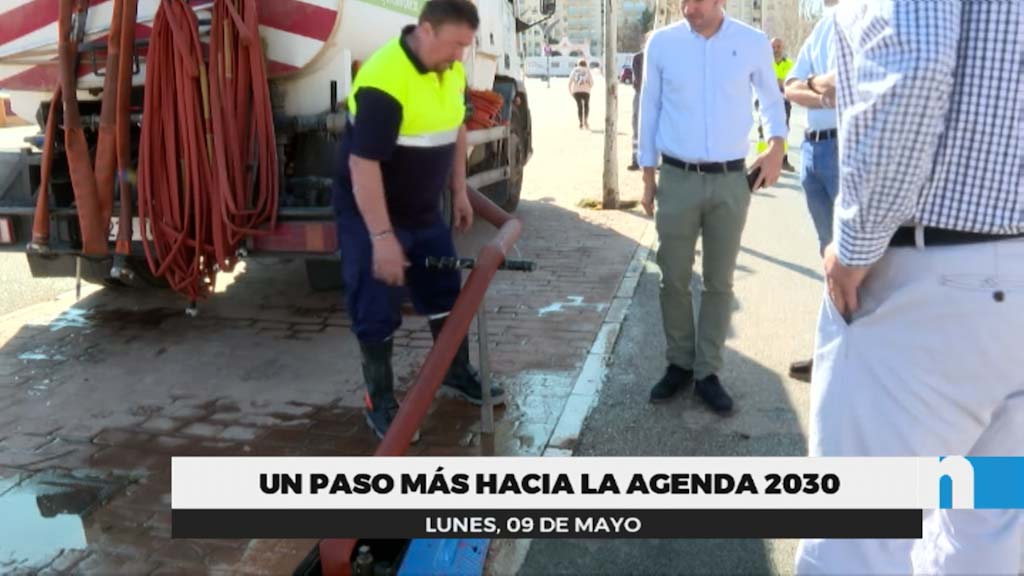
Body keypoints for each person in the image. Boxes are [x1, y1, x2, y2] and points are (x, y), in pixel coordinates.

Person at [795, 1, 1024, 574]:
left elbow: (914, 61)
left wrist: (853, 247)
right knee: (987, 536)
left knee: (854, 544)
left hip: (929, 287)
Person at [333, 0, 506, 441]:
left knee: (445, 293)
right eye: (455, 45)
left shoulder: (450, 70)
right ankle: (380, 400)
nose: (461, 56)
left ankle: (454, 372)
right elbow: (363, 166)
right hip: (370, 214)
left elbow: (456, 127)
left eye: (466, 46)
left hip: (423, 210)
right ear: (426, 31)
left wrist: (458, 189)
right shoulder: (384, 78)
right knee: (376, 305)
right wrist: (382, 237)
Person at [638, 0, 786, 414]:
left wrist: (776, 147)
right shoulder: (662, 45)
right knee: (673, 278)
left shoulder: (752, 42)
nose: (688, 7)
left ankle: (707, 372)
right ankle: (679, 364)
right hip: (677, 178)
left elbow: (772, 101)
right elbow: (648, 108)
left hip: (729, 181)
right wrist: (647, 176)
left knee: (720, 282)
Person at [781, 10, 838, 383]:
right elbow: (790, 84)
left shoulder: (872, 16)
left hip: (846, 147)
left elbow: (850, 82)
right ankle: (832, 353)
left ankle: (850, 359)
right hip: (813, 153)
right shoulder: (823, 26)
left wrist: (813, 86)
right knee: (828, 256)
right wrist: (819, 87)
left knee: (855, 257)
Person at [771, 37, 796, 172]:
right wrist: (779, 83)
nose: (776, 50)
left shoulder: (789, 64)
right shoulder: (765, 63)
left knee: (784, 130)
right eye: (773, 47)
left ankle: (783, 160)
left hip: (784, 102)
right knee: (764, 131)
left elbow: (789, 82)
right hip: (766, 102)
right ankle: (764, 161)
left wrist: (778, 83)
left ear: (783, 48)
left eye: (778, 47)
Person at [627, 46, 645, 171]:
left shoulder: (638, 57)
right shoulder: (638, 57)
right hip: (643, 94)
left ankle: (636, 159)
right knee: (637, 127)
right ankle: (636, 159)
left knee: (637, 127)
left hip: (643, 94)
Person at [568, 59, 594, 129]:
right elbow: (592, 82)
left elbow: (570, 82)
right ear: (585, 64)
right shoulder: (587, 71)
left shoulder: (574, 70)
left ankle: (581, 123)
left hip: (576, 92)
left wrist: (571, 92)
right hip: (586, 91)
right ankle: (585, 120)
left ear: (578, 64)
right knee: (586, 106)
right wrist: (588, 87)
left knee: (579, 106)